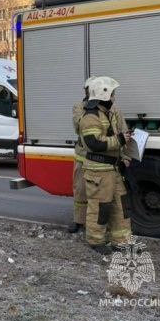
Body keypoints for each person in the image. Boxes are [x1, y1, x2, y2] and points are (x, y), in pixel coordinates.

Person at [78, 76, 132, 254]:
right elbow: (94, 143)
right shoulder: (90, 117)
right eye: (113, 93)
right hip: (98, 172)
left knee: (121, 206)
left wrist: (124, 155)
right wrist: (120, 140)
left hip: (112, 170)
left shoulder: (107, 113)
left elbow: (115, 137)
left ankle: (121, 241)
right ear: (104, 94)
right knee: (100, 208)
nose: (115, 97)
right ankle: (96, 241)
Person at [68, 77, 94, 234]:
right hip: (83, 156)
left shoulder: (109, 109)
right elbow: (79, 126)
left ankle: (95, 223)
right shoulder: (79, 107)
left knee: (99, 193)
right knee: (80, 190)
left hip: (100, 157)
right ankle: (78, 221)